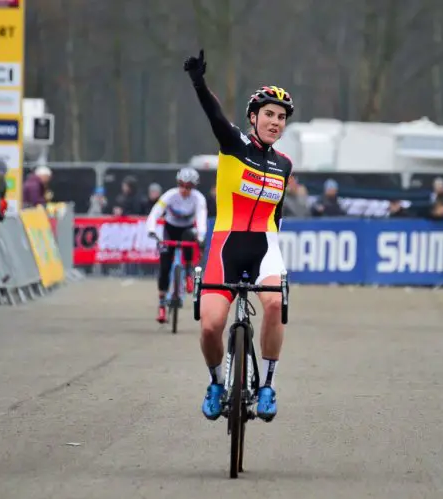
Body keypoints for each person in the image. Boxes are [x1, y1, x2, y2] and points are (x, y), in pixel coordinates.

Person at [184, 49, 293, 422]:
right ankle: (216, 382)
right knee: (211, 325)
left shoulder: (284, 164)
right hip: (226, 245)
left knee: (275, 304)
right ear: (253, 117)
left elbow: (277, 215)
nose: (275, 122)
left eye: (281, 117)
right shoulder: (233, 144)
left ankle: (268, 386)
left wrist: (276, 259)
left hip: (265, 246)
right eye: (268, 115)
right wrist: (199, 81)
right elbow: (213, 113)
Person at [146, 167, 208, 324]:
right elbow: (155, 213)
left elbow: (201, 218)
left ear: (193, 187)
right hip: (170, 230)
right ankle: (161, 304)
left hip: (187, 230)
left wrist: (201, 236)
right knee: (165, 266)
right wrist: (152, 230)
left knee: (189, 237)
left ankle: (188, 271)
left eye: (188, 187)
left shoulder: (198, 199)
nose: (184, 190)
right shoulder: (170, 195)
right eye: (182, 185)